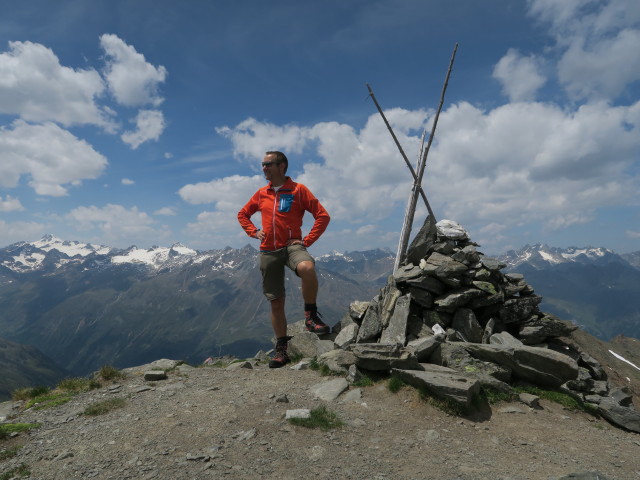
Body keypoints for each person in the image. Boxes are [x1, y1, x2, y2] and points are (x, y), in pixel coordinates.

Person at [237, 151, 331, 368]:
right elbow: (243, 214)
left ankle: (311, 316)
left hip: (292, 247)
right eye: (262, 164)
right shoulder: (262, 193)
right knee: (276, 302)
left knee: (307, 267)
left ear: (282, 166)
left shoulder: (298, 190)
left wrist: (306, 240)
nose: (263, 168)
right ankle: (282, 351)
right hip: (268, 250)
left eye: (268, 164)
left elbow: (322, 215)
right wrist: (253, 231)